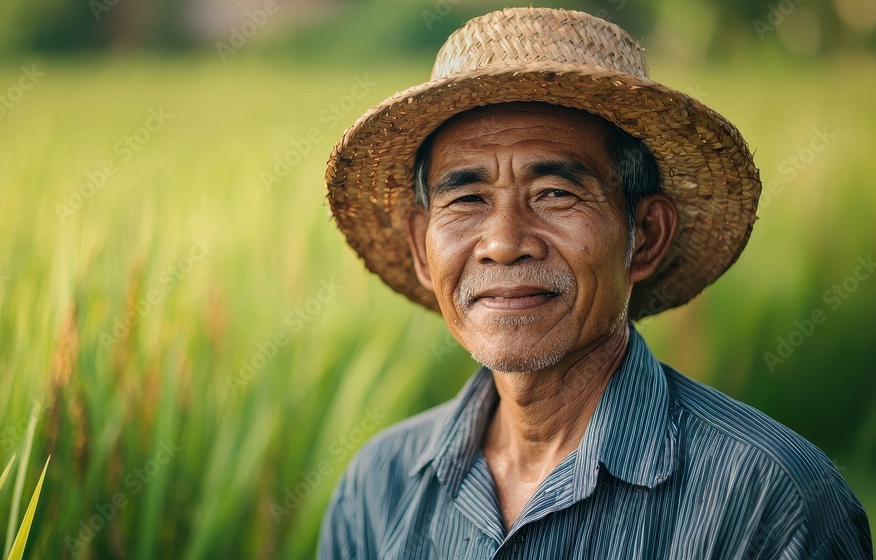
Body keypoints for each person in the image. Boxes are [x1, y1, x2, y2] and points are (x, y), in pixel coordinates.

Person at [318, 7, 872, 559]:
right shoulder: (378, 489)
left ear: (647, 235)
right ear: (421, 247)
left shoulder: (768, 501)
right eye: (467, 199)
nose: (505, 242)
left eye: (556, 193)